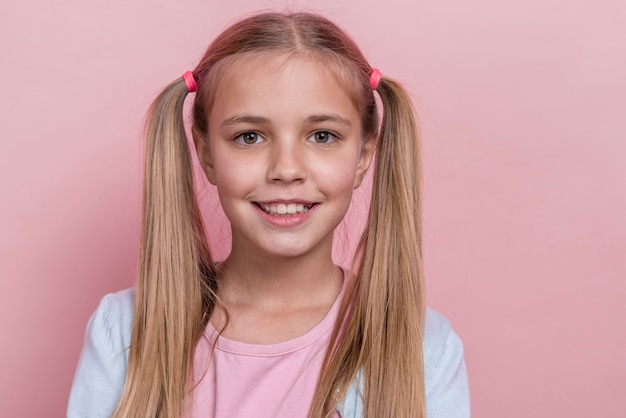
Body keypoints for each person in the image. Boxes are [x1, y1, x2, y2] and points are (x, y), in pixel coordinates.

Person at [68, 11, 469, 418]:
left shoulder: (422, 349)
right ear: (206, 153)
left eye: (322, 136)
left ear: (364, 155)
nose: (286, 169)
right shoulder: (123, 331)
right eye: (249, 137)